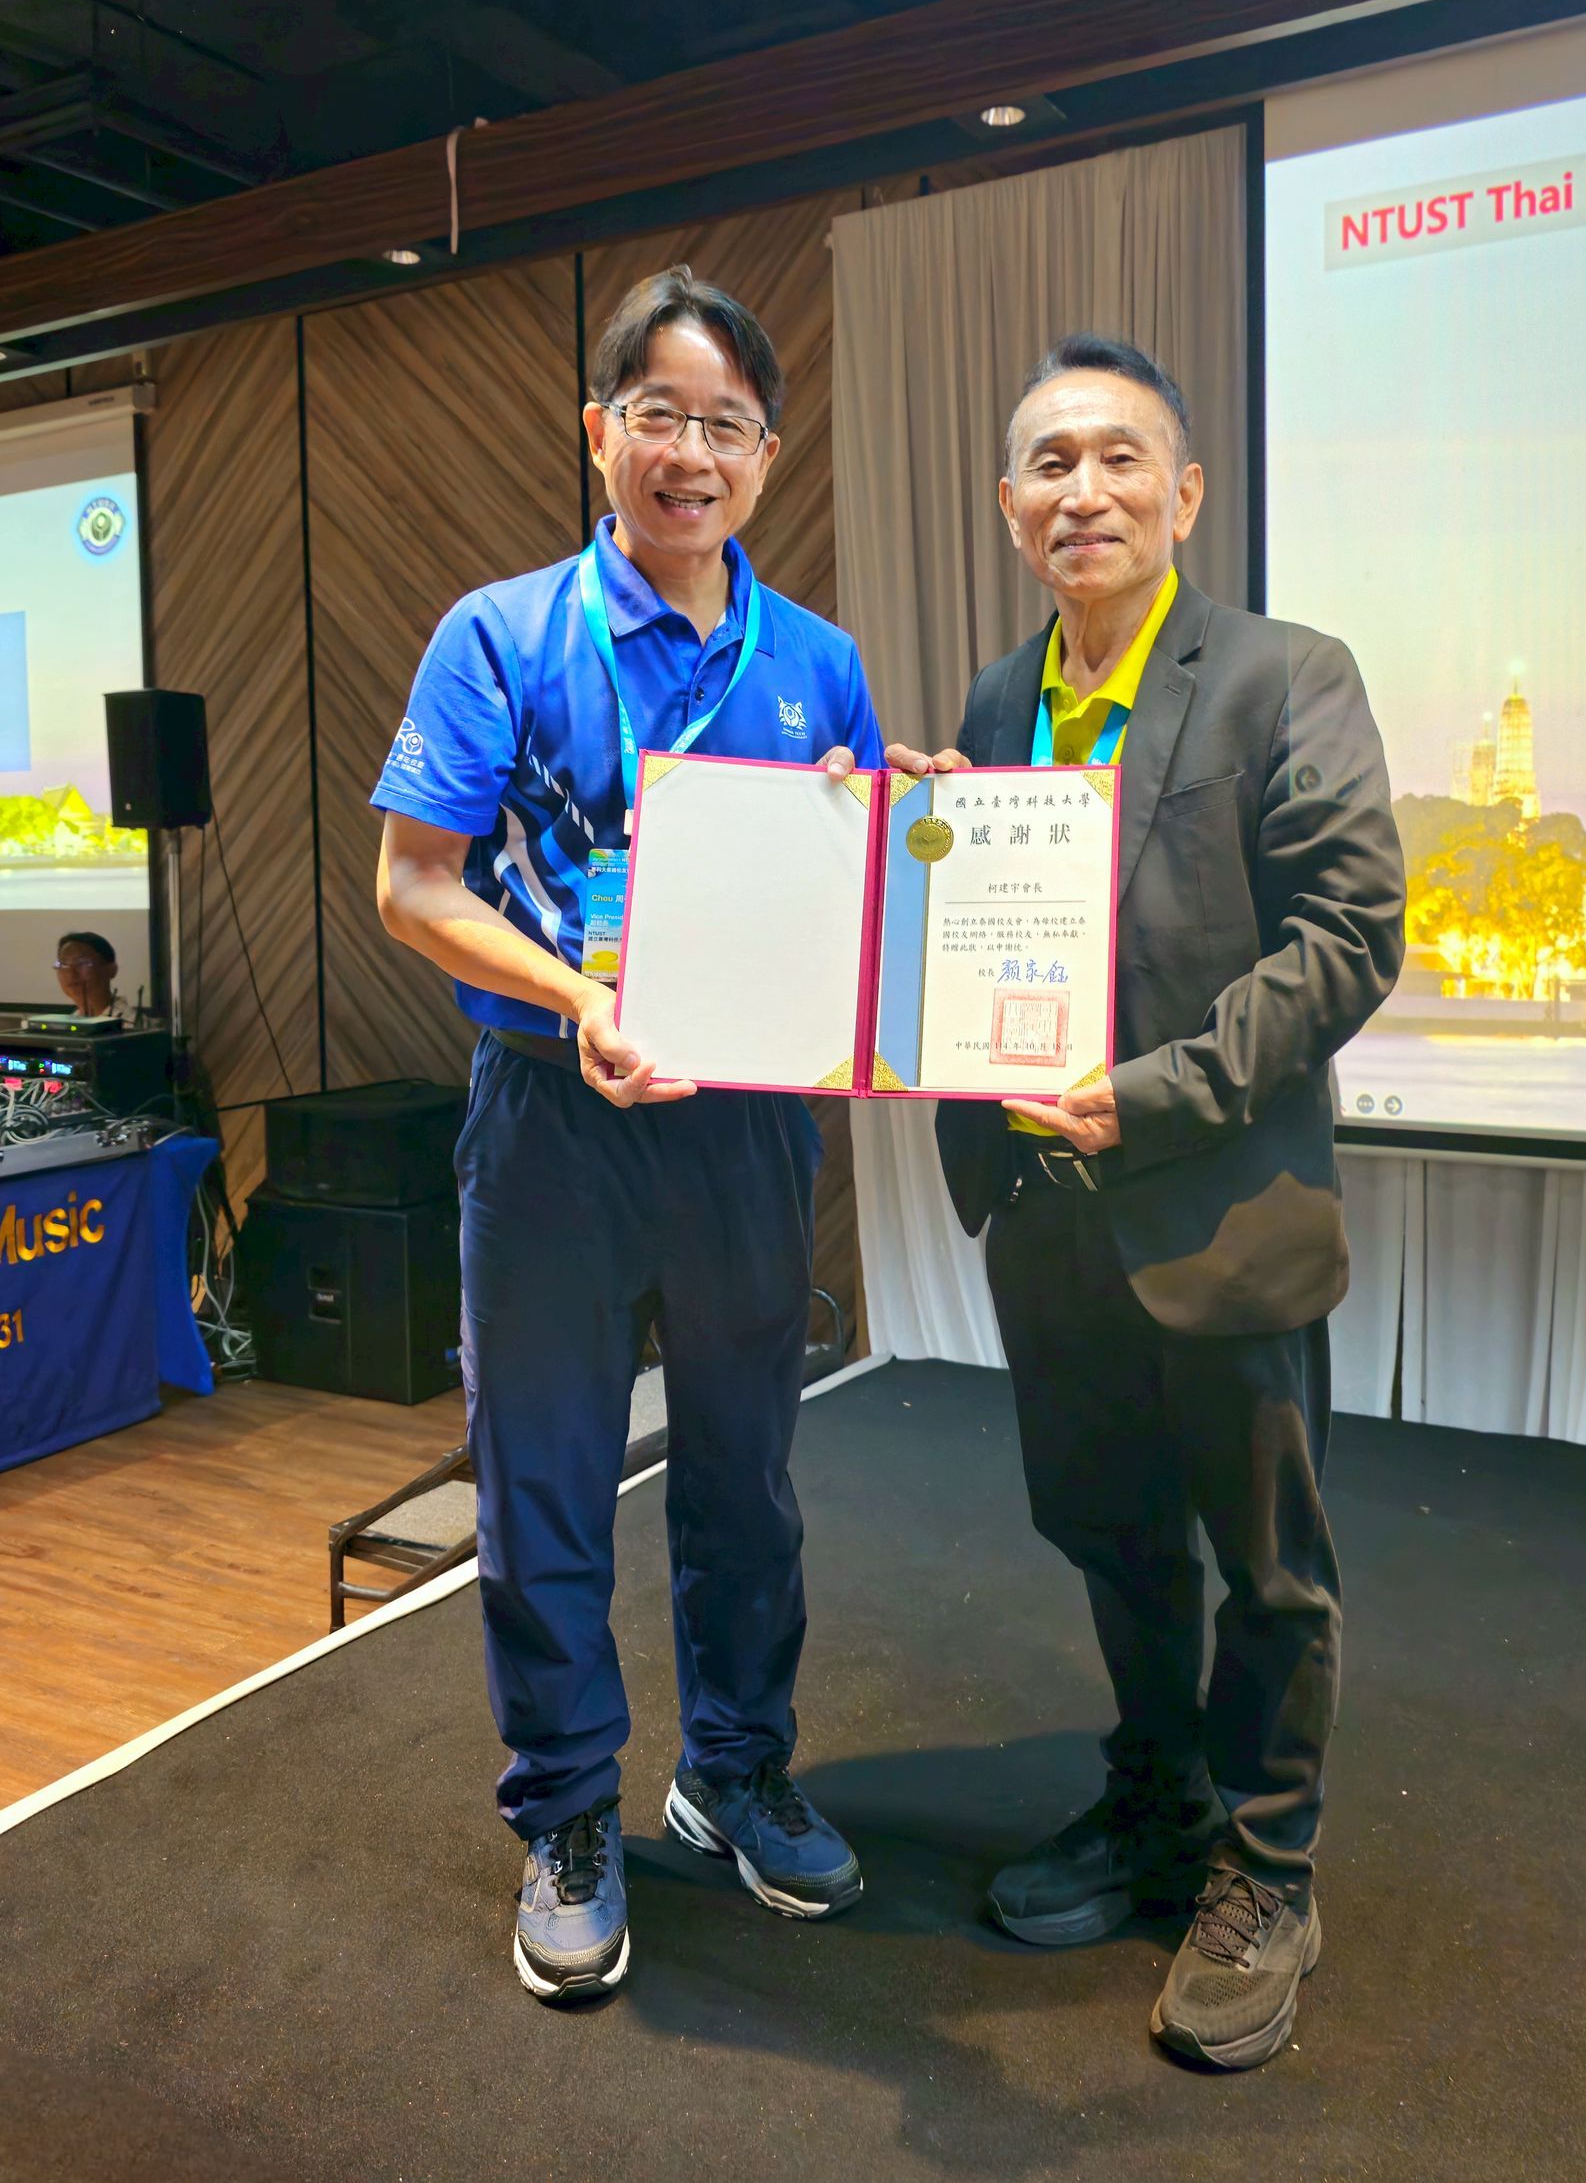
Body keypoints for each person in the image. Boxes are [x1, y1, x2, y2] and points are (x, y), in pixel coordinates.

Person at [374, 266, 883, 2003]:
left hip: (744, 1128)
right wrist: (576, 995)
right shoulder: (498, 635)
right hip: (550, 1123)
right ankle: (570, 1809)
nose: (689, 450)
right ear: (598, 430)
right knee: (543, 1482)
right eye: (656, 413)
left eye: (725, 423)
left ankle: (731, 1763)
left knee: (745, 1469)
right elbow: (412, 882)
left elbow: (863, 901)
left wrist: (946, 848)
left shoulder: (815, 661)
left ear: (764, 455)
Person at [898, 334, 1405, 2071]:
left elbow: (1348, 937)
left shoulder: (1282, 673)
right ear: (1007, 502)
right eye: (1047, 462)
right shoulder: (986, 704)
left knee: (1268, 1566)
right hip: (1042, 1214)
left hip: (1216, 1201)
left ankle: (1267, 1867)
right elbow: (950, 925)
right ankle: (1155, 1798)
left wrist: (1153, 1094)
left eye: (1118, 459)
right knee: (1108, 1530)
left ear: (1183, 494)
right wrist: (874, 848)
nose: (1081, 490)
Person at [53, 931, 126, 1019]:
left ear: (111, 970)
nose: (71, 973)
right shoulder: (65, 1025)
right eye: (63, 964)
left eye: (82, 963)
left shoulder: (134, 1026)